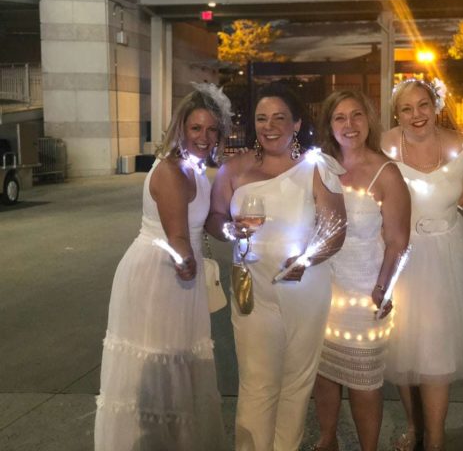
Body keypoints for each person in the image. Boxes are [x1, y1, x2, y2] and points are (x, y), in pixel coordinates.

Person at [205, 82, 347, 451]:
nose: (270, 126)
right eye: (262, 118)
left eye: (280, 118)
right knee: (256, 379)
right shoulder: (234, 168)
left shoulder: (316, 168)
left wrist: (306, 260)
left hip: (304, 286)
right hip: (250, 285)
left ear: (297, 124)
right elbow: (215, 218)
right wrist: (227, 228)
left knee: (297, 381)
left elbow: (335, 231)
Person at [95, 83, 233, 451]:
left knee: (179, 365)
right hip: (157, 275)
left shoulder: (197, 170)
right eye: (196, 129)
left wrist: (234, 229)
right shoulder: (172, 171)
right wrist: (189, 264)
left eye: (211, 129)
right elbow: (178, 236)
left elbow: (204, 225)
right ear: (180, 129)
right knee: (159, 366)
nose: (204, 137)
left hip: (180, 275)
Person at [381, 78, 463, 451]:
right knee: (403, 344)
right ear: (397, 114)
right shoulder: (386, 145)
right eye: (407, 109)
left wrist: (456, 201)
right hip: (403, 254)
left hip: (446, 254)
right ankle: (414, 426)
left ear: (436, 105)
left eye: (423, 105)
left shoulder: (461, 143)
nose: (416, 115)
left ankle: (436, 439)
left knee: (436, 347)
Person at [312, 90, 411, 451]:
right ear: (329, 125)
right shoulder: (319, 167)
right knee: (323, 375)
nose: (349, 125)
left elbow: (399, 241)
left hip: (365, 292)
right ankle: (327, 440)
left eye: (357, 116)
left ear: (369, 121)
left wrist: (384, 287)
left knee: (363, 381)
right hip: (321, 289)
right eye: (340, 117)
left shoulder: (386, 173)